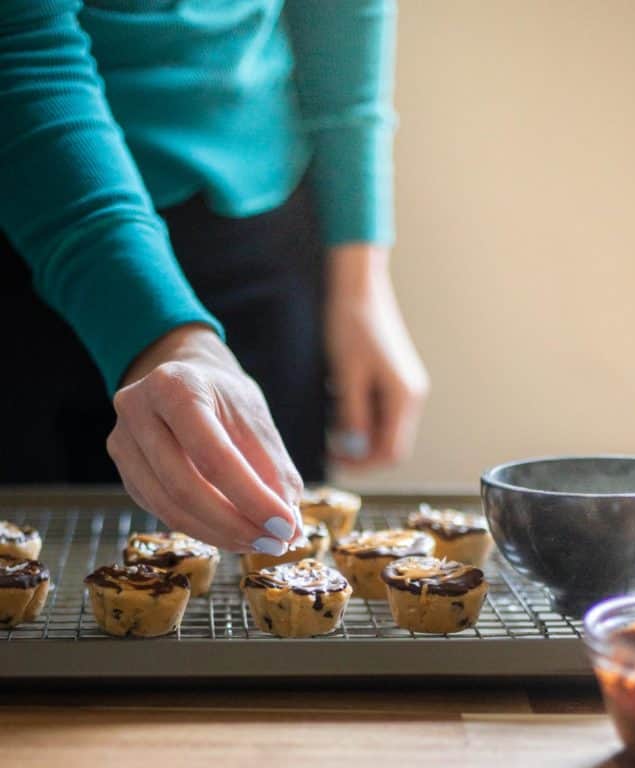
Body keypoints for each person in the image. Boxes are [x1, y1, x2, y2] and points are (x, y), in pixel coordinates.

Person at [0, 0, 428, 556]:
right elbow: (20, 47)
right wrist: (159, 330)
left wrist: (360, 283)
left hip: (259, 229)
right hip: (31, 212)